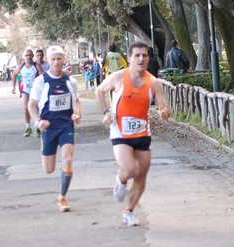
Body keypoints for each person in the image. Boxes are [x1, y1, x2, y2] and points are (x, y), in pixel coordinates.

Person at [95, 41, 171, 226]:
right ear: (129, 59)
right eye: (136, 55)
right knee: (129, 169)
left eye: (144, 55)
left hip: (142, 133)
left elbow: (164, 107)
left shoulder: (153, 82)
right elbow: (99, 91)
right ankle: (120, 181)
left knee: (141, 176)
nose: (141, 59)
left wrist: (164, 112)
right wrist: (106, 113)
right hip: (120, 131)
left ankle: (128, 211)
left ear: (148, 58)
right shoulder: (119, 77)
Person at [28, 45, 82, 213]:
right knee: (49, 169)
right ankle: (45, 148)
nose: (57, 62)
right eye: (53, 59)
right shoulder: (41, 81)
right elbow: (31, 105)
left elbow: (77, 101)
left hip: (66, 125)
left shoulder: (70, 81)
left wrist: (77, 114)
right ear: (48, 61)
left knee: (68, 159)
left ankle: (62, 197)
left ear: (63, 60)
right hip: (48, 127)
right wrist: (38, 122)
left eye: (59, 59)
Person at [12, 49, 44, 137]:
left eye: (30, 55)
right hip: (25, 90)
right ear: (24, 57)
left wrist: (43, 89)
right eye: (27, 55)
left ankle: (38, 127)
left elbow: (43, 78)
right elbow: (14, 75)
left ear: (33, 56)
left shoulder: (37, 66)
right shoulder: (20, 66)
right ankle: (28, 127)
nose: (28, 57)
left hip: (35, 90)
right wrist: (13, 87)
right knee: (26, 108)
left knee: (36, 109)